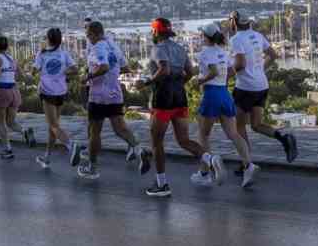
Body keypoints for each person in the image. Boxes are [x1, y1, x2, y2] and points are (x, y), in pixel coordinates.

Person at [143, 18, 205, 199]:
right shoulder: (180, 48)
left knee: (156, 142)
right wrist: (179, 84)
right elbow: (190, 72)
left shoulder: (158, 48)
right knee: (184, 140)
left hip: (162, 97)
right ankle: (210, 159)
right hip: (179, 95)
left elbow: (164, 69)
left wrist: (147, 82)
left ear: (155, 32)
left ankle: (162, 184)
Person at [192, 23, 256, 188]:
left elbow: (212, 71)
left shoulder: (205, 53)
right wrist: (221, 81)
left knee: (204, 135)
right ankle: (249, 165)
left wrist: (200, 80)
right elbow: (232, 71)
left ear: (205, 37)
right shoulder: (222, 52)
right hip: (224, 93)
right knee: (234, 134)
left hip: (212, 94)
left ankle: (205, 172)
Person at [229, 10, 298, 164]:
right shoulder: (258, 36)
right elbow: (273, 55)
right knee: (256, 125)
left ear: (234, 21)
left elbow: (240, 64)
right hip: (261, 85)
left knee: (238, 126)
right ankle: (284, 139)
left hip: (245, 88)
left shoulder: (236, 39)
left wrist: (225, 77)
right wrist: (260, 69)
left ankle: (246, 164)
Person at [78, 19, 143, 181]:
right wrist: (112, 74)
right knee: (120, 129)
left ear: (95, 34)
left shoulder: (97, 47)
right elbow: (126, 68)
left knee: (94, 133)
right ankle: (139, 149)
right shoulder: (114, 46)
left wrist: (88, 77)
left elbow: (104, 66)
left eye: (88, 35)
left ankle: (92, 168)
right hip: (115, 93)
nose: (88, 38)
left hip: (98, 96)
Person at [32, 28, 77, 170]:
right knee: (53, 126)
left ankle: (72, 146)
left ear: (48, 39)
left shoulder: (42, 53)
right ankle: (47, 157)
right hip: (61, 93)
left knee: (53, 126)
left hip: (47, 92)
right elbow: (75, 69)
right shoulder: (64, 54)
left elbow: (34, 70)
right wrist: (64, 71)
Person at [0, 35, 29, 159]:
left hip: (2, 91)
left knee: (1, 123)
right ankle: (25, 131)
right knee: (10, 122)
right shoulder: (12, 58)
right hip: (14, 91)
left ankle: (8, 150)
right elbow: (22, 76)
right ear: (7, 46)